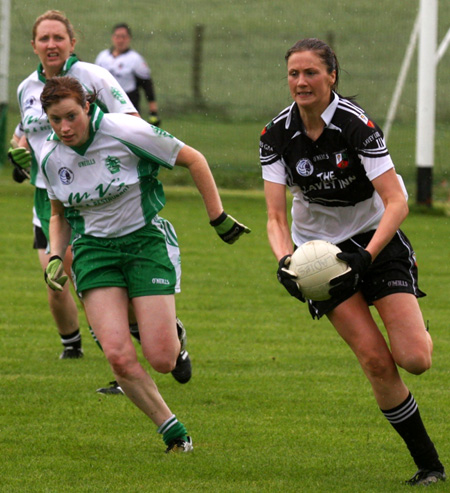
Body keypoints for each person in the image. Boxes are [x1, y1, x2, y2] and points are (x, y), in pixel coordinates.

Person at [259, 38, 446, 486]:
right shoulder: (276, 135)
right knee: (375, 361)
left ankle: (415, 328)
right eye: (294, 74)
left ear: (332, 76)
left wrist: (365, 257)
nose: (301, 82)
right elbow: (273, 216)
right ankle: (429, 465)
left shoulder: (356, 126)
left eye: (311, 73)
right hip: (319, 256)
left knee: (415, 358)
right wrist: (286, 261)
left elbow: (397, 201)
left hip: (374, 241)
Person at [39, 75, 249, 452]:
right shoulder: (51, 156)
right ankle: (174, 433)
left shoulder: (127, 131)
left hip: (144, 243)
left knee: (162, 359)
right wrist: (56, 255)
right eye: (55, 120)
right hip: (93, 252)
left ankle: (175, 336)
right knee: (118, 356)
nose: (64, 127)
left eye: (71, 116)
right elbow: (58, 214)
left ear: (87, 106)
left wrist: (217, 216)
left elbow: (193, 159)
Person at [95, 23, 161, 127]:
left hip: (128, 103)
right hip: (106, 103)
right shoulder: (102, 57)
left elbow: (146, 84)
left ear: (129, 38)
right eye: (117, 37)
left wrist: (153, 110)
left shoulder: (135, 59)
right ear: (113, 38)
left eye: (123, 37)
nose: (120, 40)